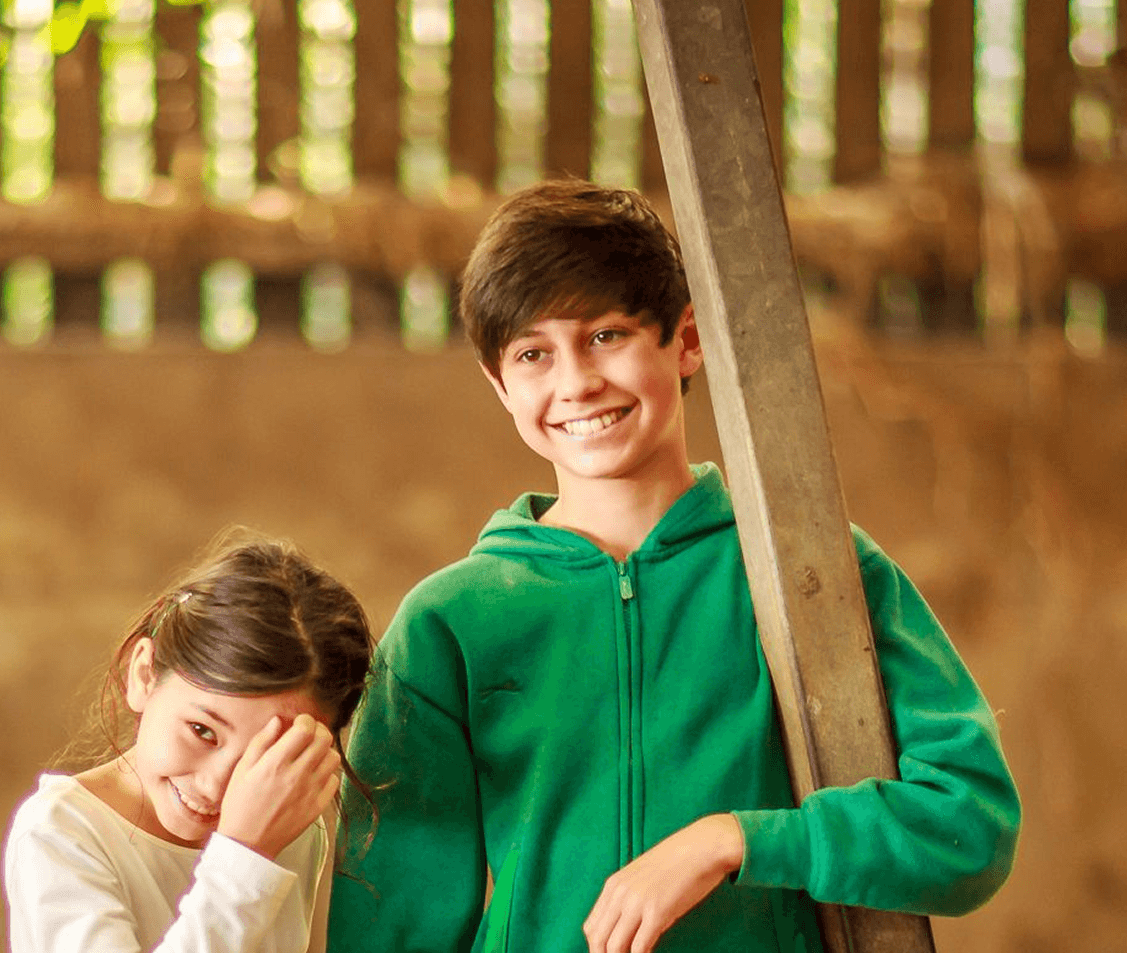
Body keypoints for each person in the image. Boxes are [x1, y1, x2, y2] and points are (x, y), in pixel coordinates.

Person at [327, 179, 1021, 953]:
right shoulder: (449, 623)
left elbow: (969, 823)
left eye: (606, 335)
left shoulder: (815, 571)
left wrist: (735, 840)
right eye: (533, 354)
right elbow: (389, 924)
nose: (576, 382)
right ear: (500, 384)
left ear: (686, 339)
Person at [4, 533, 375, 953]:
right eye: (202, 730)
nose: (217, 786)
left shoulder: (288, 826)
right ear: (143, 674)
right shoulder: (60, 834)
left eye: (265, 757)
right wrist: (244, 856)